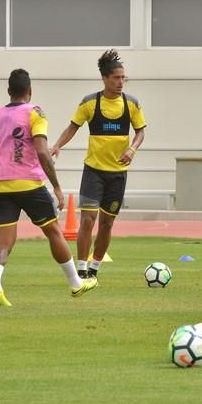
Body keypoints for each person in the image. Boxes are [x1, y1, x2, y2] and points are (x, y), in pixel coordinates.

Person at [0, 68, 98, 307]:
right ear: (30, 91)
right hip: (29, 184)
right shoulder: (35, 112)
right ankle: (75, 284)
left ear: (9, 91)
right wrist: (57, 188)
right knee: (53, 232)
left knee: (3, 243)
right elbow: (41, 151)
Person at [49, 49, 146, 279]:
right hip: (93, 172)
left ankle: (95, 269)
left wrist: (132, 149)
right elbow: (73, 126)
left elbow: (141, 131)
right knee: (87, 220)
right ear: (105, 78)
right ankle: (81, 269)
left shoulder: (131, 103)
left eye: (123, 77)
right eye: (116, 77)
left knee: (106, 224)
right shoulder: (90, 103)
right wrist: (57, 145)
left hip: (118, 175)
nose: (121, 82)